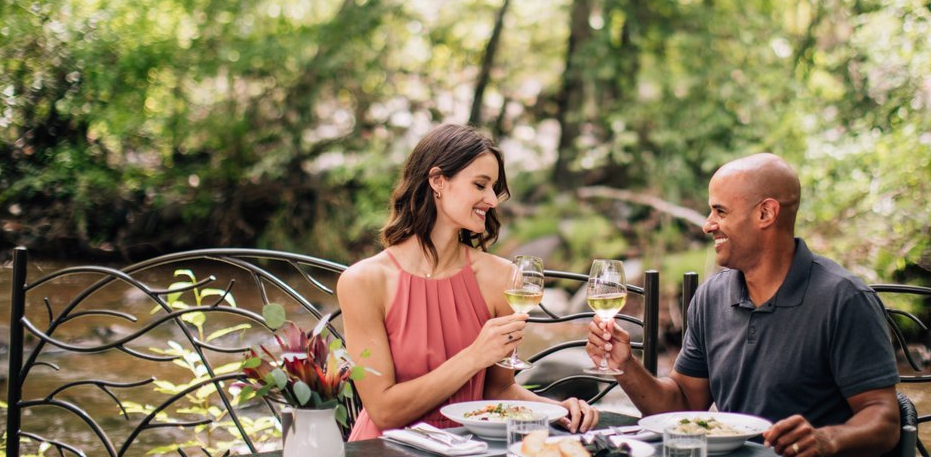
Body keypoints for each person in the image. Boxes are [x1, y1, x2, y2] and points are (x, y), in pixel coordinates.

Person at [587, 153, 899, 457]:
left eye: (720, 212)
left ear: (766, 213)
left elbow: (884, 420)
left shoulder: (845, 299)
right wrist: (624, 365)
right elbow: (682, 405)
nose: (708, 225)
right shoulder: (710, 297)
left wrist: (827, 440)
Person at [340, 123, 600, 438]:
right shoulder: (364, 281)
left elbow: (499, 391)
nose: (492, 200)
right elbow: (384, 412)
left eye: (493, 188)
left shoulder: (502, 277)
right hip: (385, 448)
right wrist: (474, 356)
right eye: (480, 185)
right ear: (437, 181)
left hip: (470, 447)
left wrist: (555, 410)